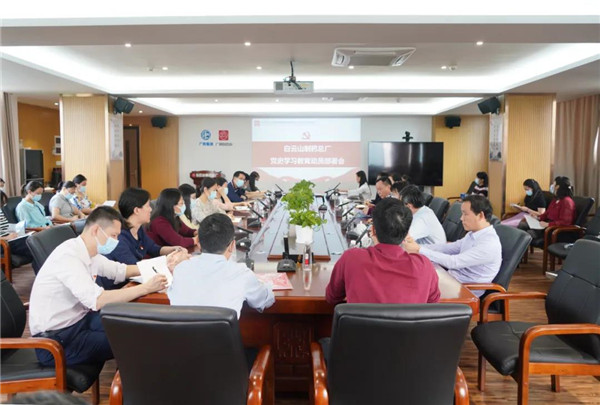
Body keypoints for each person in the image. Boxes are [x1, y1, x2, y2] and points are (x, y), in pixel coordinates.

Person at [29, 206, 169, 367]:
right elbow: (98, 300)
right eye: (113, 235)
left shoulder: (88, 251)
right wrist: (145, 288)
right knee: (134, 340)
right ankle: (134, 382)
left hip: (80, 321)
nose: (116, 241)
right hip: (57, 340)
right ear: (96, 230)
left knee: (138, 326)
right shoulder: (68, 257)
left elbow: (120, 270)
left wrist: (164, 263)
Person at [326, 198, 440, 305]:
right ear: (406, 234)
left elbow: (332, 297)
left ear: (373, 230)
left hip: (361, 321)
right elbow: (433, 304)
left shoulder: (351, 258)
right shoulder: (424, 266)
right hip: (408, 321)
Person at [168, 213, 275, 318]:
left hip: (181, 331)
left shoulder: (180, 269)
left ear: (199, 244)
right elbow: (265, 300)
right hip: (223, 331)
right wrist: (266, 284)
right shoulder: (242, 274)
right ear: (232, 245)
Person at [403, 195, 501, 296]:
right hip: (451, 281)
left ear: (480, 215)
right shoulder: (473, 234)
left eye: (465, 214)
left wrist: (419, 250)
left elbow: (454, 262)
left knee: (412, 287)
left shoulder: (488, 244)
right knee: (411, 276)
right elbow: (446, 248)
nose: (461, 218)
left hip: (465, 291)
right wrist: (415, 246)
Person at [101, 187, 190, 289]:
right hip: (119, 288)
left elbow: (154, 249)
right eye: (148, 206)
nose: (151, 209)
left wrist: (175, 249)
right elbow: (136, 267)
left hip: (136, 283)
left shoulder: (139, 229)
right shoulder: (119, 237)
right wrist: (170, 261)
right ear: (137, 210)